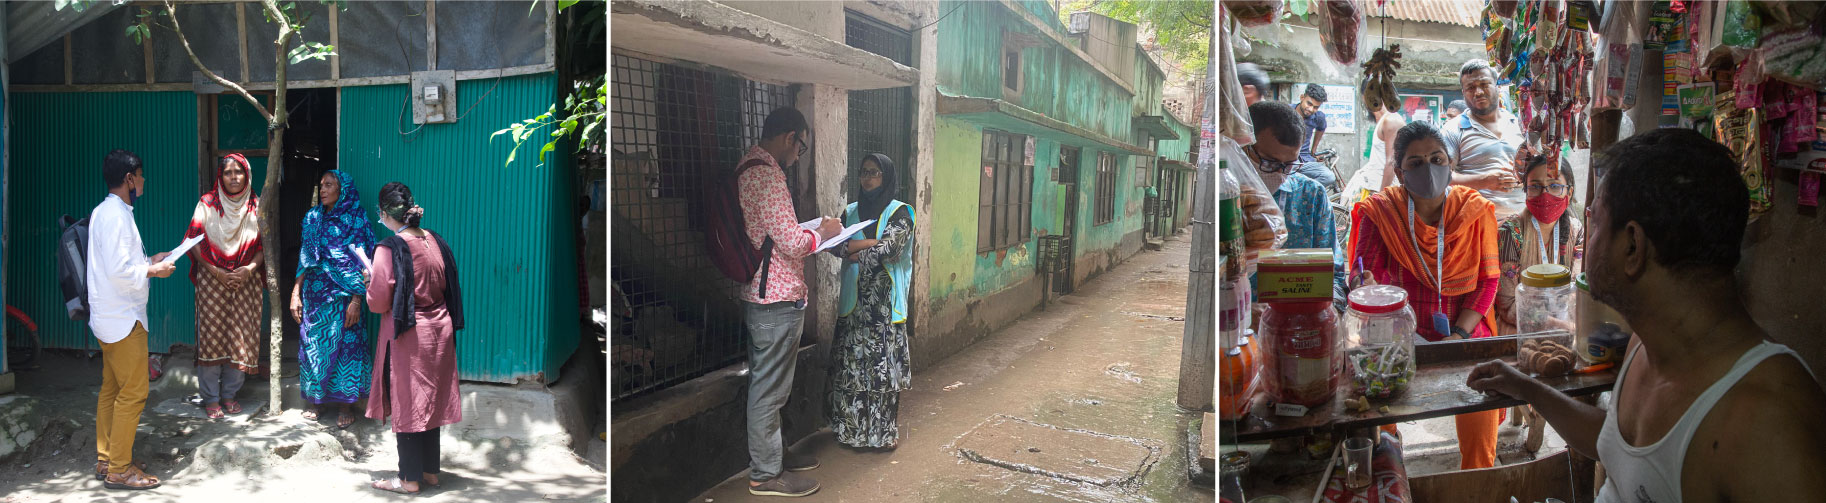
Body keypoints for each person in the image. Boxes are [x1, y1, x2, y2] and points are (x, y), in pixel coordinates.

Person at [1469, 128, 1826, 500]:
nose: (1588, 236)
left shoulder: (1772, 426)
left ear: (1632, 246)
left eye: (1596, 224)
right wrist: (1527, 388)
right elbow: (1619, 445)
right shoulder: (1648, 340)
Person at [1347, 121, 1504, 469]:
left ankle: (1477, 477)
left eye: (1436, 159)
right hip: (1399, 335)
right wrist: (1363, 282)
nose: (1429, 169)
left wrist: (1458, 336)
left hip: (1463, 330)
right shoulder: (1382, 212)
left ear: (1450, 163)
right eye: (1416, 163)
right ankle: (1390, 468)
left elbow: (1487, 282)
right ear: (1400, 173)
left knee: (1482, 407)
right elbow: (1363, 273)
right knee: (1377, 407)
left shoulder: (1475, 210)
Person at [739, 107, 842, 498]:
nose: (799, 154)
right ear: (789, 137)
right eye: (801, 146)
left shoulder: (748, 167)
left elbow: (776, 232)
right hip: (776, 300)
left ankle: (774, 458)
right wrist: (824, 233)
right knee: (768, 392)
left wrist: (810, 229)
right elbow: (793, 242)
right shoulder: (767, 175)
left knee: (769, 386)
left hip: (763, 296)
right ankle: (766, 475)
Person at [365, 183, 464, 495]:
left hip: (409, 334)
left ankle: (408, 478)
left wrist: (369, 283)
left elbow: (379, 302)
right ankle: (430, 472)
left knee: (407, 402)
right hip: (439, 330)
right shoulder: (434, 240)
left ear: (384, 213)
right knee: (430, 400)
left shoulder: (389, 248)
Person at [87, 149, 177, 490]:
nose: (143, 180)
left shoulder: (107, 211)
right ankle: (120, 469)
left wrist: (150, 260)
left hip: (110, 316)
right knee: (134, 392)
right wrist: (154, 270)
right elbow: (119, 271)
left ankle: (107, 458)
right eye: (140, 175)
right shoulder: (115, 216)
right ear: (129, 179)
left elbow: (121, 263)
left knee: (112, 389)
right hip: (123, 319)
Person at [827, 153, 915, 450]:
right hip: (855, 307)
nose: (868, 178)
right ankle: (853, 434)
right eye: (864, 172)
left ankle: (881, 436)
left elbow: (890, 251)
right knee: (852, 370)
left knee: (882, 374)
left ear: (886, 176)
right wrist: (868, 244)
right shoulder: (850, 211)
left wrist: (855, 250)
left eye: (874, 172)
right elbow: (834, 246)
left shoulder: (901, 212)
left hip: (885, 307)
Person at [291, 170, 376, 429]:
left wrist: (357, 300)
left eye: (329, 185)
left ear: (343, 190)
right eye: (321, 185)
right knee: (313, 346)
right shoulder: (313, 218)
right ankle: (315, 401)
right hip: (315, 296)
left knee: (347, 348)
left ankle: (344, 405)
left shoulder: (356, 219)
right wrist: (295, 292)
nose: (324, 190)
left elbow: (364, 262)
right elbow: (305, 258)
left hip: (346, 297)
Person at [185, 154, 266, 420]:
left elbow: (264, 245)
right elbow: (193, 242)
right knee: (211, 336)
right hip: (212, 279)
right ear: (221, 176)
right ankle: (211, 398)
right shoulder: (207, 203)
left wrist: (249, 269)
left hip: (245, 279)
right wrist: (216, 271)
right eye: (228, 172)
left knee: (241, 336)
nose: (233, 177)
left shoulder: (256, 205)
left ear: (247, 175)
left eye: (238, 172)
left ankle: (230, 394)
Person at [1245, 101, 1345, 310]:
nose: (1280, 173)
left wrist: (1332, 310)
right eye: (1270, 163)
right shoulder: (1227, 196)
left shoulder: (1312, 196)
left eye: (1290, 165)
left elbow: (1334, 276)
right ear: (1245, 149)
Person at [1495, 153, 1582, 336]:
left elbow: (1577, 292)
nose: (1545, 195)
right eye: (1535, 187)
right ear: (1526, 191)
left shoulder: (1576, 231)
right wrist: (1558, 326)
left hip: (1567, 323)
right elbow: (1508, 305)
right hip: (1519, 328)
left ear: (1569, 192)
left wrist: (1569, 326)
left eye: (1554, 186)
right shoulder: (1511, 232)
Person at [1445, 59, 1524, 219]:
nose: (1478, 92)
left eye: (1484, 84)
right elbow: (1441, 178)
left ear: (1497, 86)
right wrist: (1485, 180)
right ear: (1463, 92)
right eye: (1471, 87)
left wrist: (1523, 176)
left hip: (1522, 221)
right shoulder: (1453, 129)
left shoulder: (1520, 124)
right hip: (1476, 224)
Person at [1297, 83, 1329, 166]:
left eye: (1316, 107)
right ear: (1302, 98)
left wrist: (1314, 151)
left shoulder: (1318, 117)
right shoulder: (1286, 111)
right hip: (1285, 158)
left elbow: (1321, 128)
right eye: (1309, 104)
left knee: (1327, 173)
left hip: (1305, 157)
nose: (1311, 109)